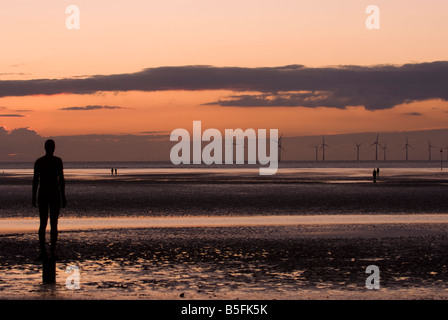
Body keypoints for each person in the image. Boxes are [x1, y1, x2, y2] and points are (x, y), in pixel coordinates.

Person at [32, 139, 67, 260]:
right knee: (53, 224)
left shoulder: (39, 162)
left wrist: (33, 196)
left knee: (43, 223)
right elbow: (61, 180)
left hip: (43, 194)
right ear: (53, 148)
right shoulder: (57, 161)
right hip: (53, 194)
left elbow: (35, 181)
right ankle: (51, 252)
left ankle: (44, 252)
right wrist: (63, 196)